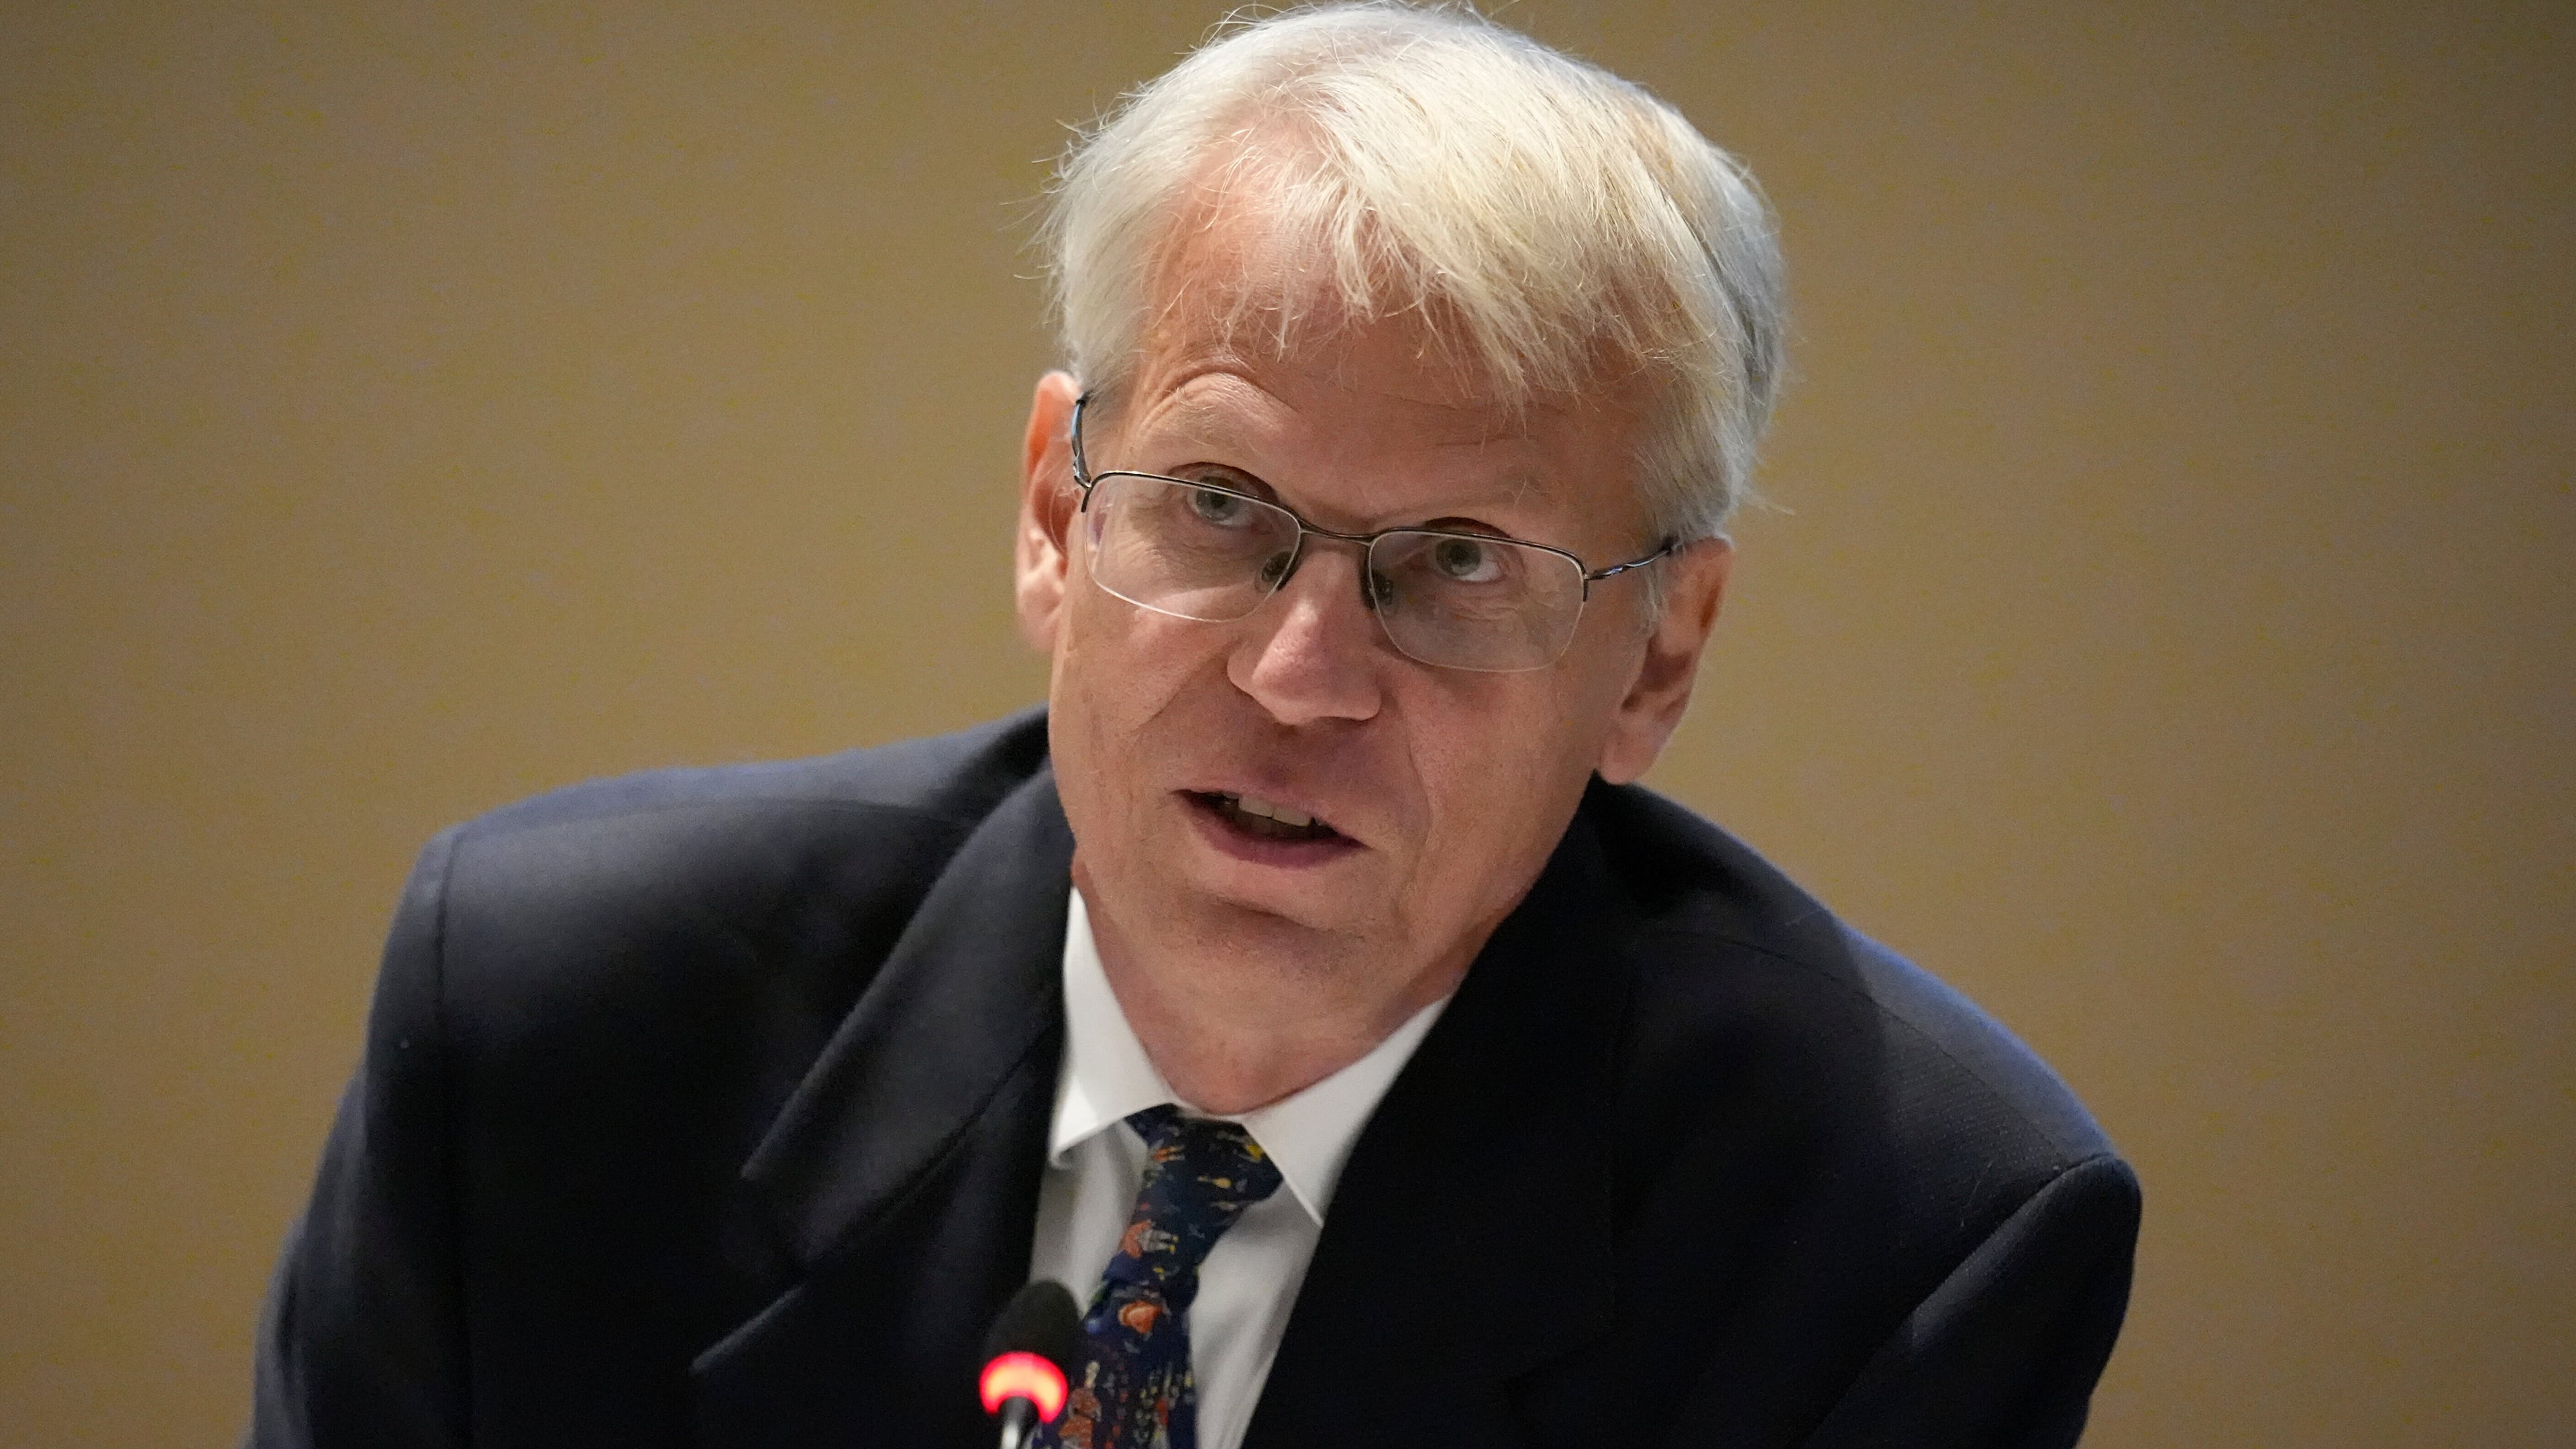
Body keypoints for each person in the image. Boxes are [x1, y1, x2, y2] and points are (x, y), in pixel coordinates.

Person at [248, 5, 2140, 1447]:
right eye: (1220, 508)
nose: (1301, 674)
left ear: (1656, 654)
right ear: (1061, 520)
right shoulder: (553, 1020)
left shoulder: (1902, 1238)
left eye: (1457, 561)